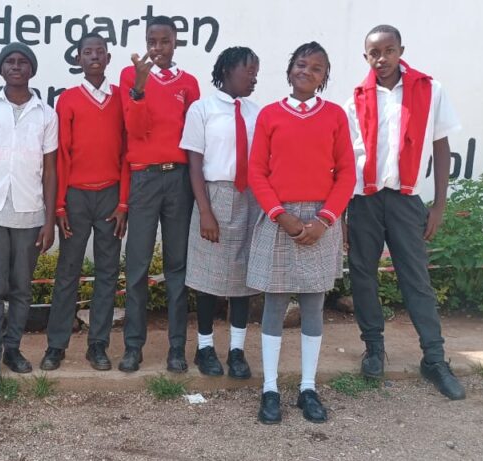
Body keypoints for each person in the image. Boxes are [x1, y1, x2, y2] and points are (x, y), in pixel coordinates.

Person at [344, 24, 465, 400]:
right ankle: (374, 349)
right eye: (373, 53)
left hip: (405, 199)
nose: (381, 59)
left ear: (400, 50)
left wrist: (439, 204)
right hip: (364, 200)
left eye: (388, 50)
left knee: (416, 280)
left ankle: (434, 358)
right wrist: (345, 215)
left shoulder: (430, 90)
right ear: (365, 57)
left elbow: (441, 147)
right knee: (363, 277)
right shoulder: (356, 100)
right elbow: (348, 161)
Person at [247, 42, 355, 424]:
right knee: (274, 306)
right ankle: (271, 388)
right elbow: (256, 171)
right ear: (290, 69)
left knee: (313, 305)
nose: (307, 71)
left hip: (320, 219)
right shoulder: (270, 115)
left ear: (325, 77)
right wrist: (282, 216)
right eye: (301, 64)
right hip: (280, 219)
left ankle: (308, 387)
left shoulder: (336, 117)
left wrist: (325, 220)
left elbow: (346, 174)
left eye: (317, 68)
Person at [0, 42, 57, 386]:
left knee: (21, 289)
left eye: (23, 62)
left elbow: (50, 171)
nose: (16, 66)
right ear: (1, 69)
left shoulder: (47, 114)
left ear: (31, 70)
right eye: (9, 62)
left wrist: (49, 221)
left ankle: (12, 349)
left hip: (30, 215)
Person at [40, 32, 128, 372]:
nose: (94, 57)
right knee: (68, 272)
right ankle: (56, 346)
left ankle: (98, 346)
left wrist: (123, 203)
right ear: (78, 59)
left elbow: (126, 152)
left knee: (107, 273)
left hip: (110, 195)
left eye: (100, 52)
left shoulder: (120, 97)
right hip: (75, 197)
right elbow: (61, 154)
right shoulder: (69, 99)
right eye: (87, 52)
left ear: (108, 59)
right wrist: (59, 205)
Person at [117, 15, 200, 373]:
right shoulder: (130, 76)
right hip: (144, 181)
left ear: (176, 43)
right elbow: (134, 130)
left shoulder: (189, 84)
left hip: (178, 179)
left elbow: (195, 138)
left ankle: (177, 348)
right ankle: (133, 347)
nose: (157, 47)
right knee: (136, 267)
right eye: (152, 40)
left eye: (164, 41)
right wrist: (138, 87)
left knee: (177, 269)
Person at [179, 46, 261, 378]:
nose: (254, 78)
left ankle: (237, 351)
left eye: (256, 72)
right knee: (208, 280)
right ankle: (204, 348)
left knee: (243, 280)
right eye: (249, 71)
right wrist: (206, 212)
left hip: (249, 199)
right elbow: (194, 165)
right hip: (213, 195)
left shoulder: (257, 112)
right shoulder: (202, 110)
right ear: (227, 70)